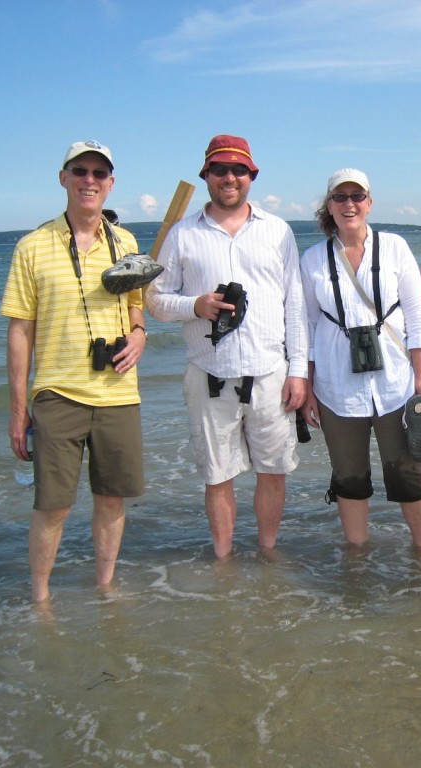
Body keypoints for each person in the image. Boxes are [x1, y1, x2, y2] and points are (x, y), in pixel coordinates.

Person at [145, 135, 308, 559]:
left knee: (273, 473)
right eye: (220, 170)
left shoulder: (277, 231)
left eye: (238, 170)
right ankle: (224, 562)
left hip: (270, 372)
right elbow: (155, 300)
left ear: (251, 176)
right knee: (217, 477)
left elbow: (295, 302)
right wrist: (195, 305)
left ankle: (267, 554)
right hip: (208, 373)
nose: (229, 178)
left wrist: (298, 371)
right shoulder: (182, 234)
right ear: (206, 177)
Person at [1, 139, 147, 604]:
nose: (90, 181)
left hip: (118, 393)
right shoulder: (33, 246)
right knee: (52, 505)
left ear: (111, 184)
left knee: (112, 499)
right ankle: (40, 599)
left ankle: (105, 587)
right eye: (80, 172)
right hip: (58, 394)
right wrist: (18, 408)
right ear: (63, 178)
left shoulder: (125, 242)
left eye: (99, 174)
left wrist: (140, 332)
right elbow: (20, 331)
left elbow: (136, 304)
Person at [299, 169, 421, 553]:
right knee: (349, 475)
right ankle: (357, 559)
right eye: (340, 197)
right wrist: (308, 386)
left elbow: (418, 315)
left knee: (408, 470)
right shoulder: (312, 258)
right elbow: (307, 327)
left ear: (369, 202)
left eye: (357, 196)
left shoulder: (394, 247)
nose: (349, 204)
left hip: (397, 384)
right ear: (329, 205)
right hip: (335, 386)